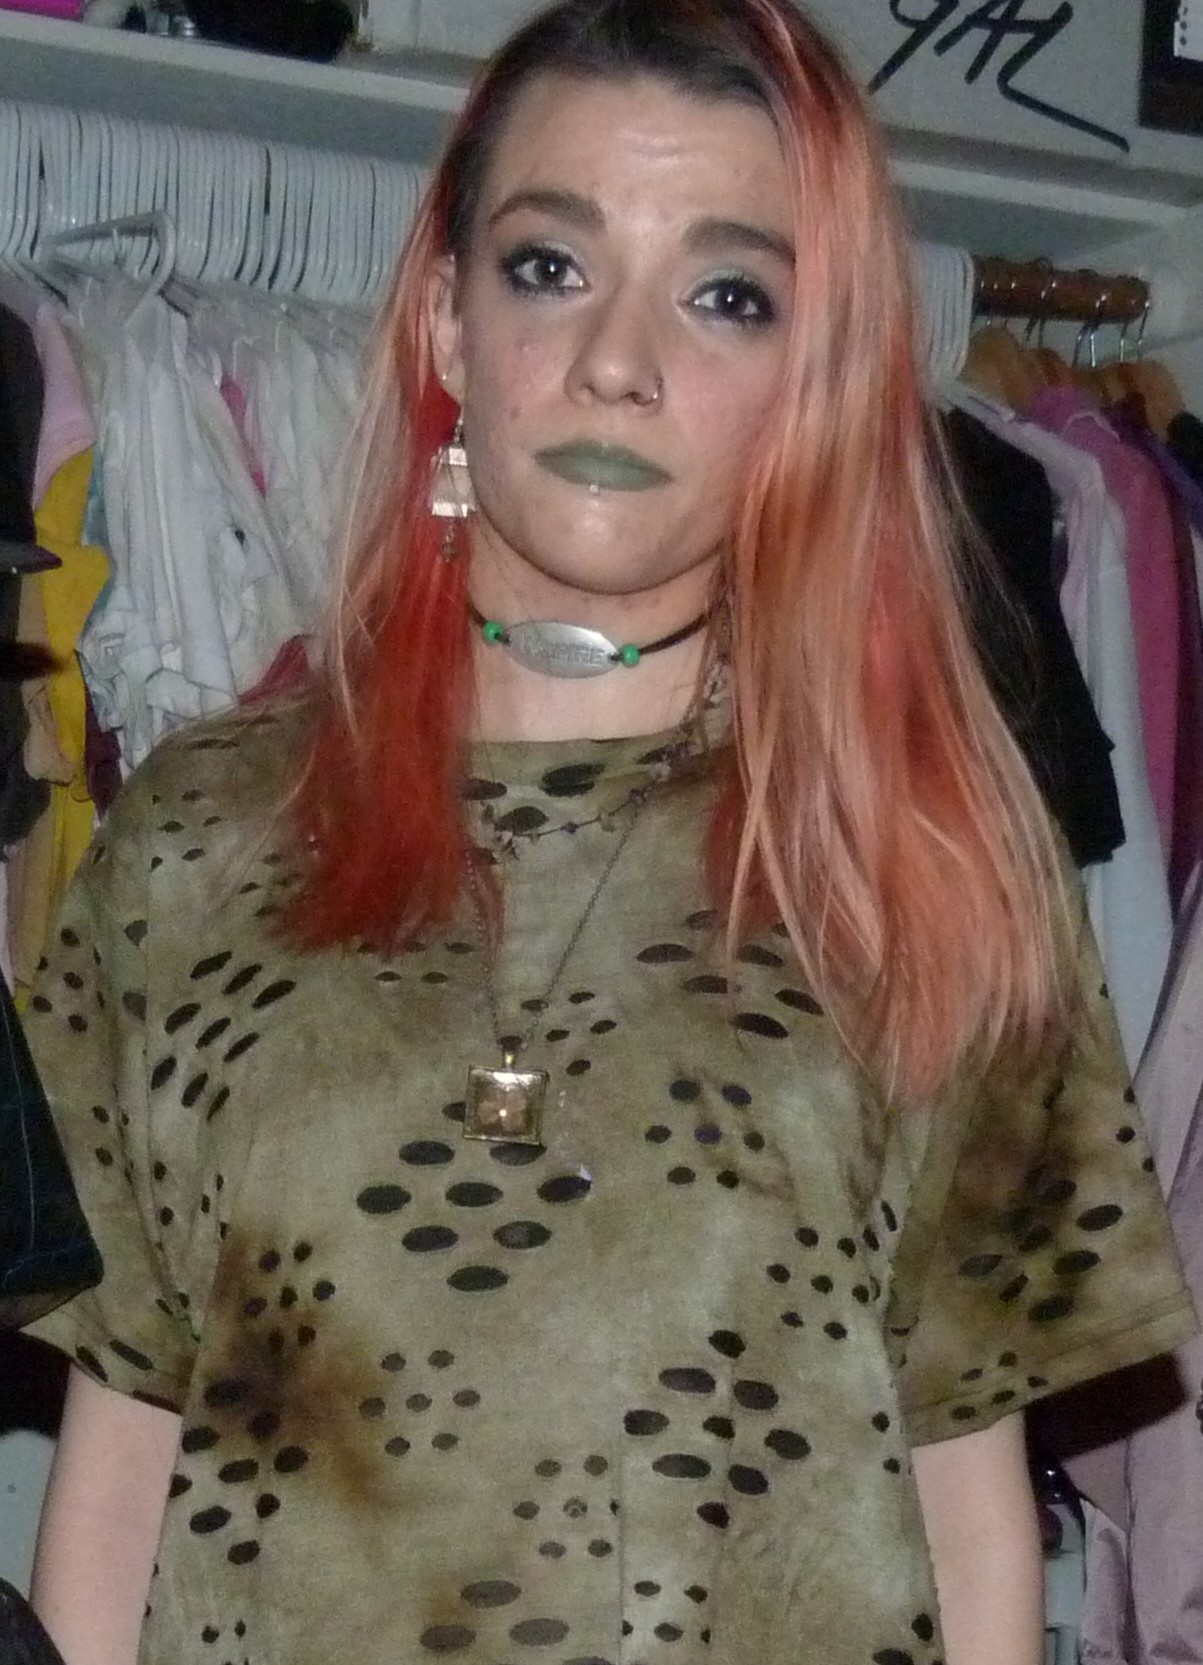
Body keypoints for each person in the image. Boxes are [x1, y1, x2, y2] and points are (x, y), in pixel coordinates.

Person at [20, 3, 1196, 1663]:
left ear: (812, 375)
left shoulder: (926, 861)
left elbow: (970, 1498)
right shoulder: (194, 844)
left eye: (727, 297)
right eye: (551, 267)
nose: (618, 361)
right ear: (447, 318)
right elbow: (121, 1454)